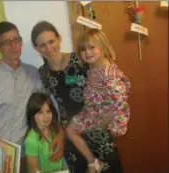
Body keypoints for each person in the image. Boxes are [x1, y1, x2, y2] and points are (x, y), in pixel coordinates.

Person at [31, 21, 126, 173]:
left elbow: (108, 78)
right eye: (42, 45)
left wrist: (109, 117)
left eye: (51, 41)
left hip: (97, 128)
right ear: (36, 48)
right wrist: (56, 132)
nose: (48, 48)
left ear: (59, 39)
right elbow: (49, 106)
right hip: (72, 136)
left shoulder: (80, 59)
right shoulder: (43, 73)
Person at [0, 21, 64, 173]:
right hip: (1, 154)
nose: (13, 46)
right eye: (6, 42)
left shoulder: (33, 73)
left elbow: (50, 107)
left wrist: (60, 134)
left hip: (32, 150)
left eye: (16, 40)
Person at [66, 28, 131, 173]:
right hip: (93, 110)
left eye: (92, 47)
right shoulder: (93, 66)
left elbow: (120, 100)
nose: (87, 52)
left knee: (71, 130)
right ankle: (93, 162)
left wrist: (108, 122)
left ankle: (93, 164)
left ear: (103, 46)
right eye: (83, 49)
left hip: (101, 114)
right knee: (70, 130)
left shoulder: (108, 72)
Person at [24, 92, 66, 173]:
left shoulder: (53, 128)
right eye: (40, 112)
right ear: (32, 115)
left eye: (48, 111)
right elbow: (34, 170)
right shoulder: (31, 141)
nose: (46, 117)